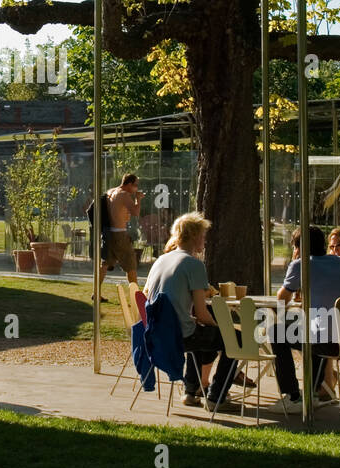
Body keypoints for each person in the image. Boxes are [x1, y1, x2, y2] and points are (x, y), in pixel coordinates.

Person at [142, 212, 241, 409]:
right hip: (179, 334)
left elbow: (147, 295)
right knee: (235, 339)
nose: (205, 240)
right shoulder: (194, 264)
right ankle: (216, 397)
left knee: (196, 331)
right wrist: (223, 327)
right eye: (203, 235)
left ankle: (190, 392)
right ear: (195, 236)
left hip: (157, 332)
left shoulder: (161, 260)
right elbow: (203, 314)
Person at [271, 225, 340, 414]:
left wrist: (296, 263)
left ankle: (292, 396)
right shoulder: (339, 263)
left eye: (295, 247)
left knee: (276, 332)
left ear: (299, 247)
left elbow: (282, 298)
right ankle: (314, 393)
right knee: (315, 327)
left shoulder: (301, 264)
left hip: (324, 341)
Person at [96, 173, 142, 301]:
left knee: (104, 265)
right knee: (131, 264)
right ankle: (136, 298)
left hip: (108, 233)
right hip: (120, 234)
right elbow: (136, 212)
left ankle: (96, 292)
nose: (136, 189)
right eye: (136, 186)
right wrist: (138, 199)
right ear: (129, 184)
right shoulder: (123, 194)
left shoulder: (111, 192)